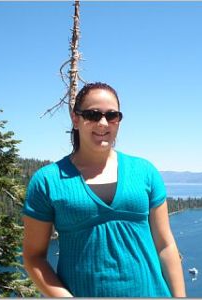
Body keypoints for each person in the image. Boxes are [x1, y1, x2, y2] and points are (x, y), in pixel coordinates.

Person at [22, 82, 186, 297]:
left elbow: (165, 246)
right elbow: (34, 257)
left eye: (112, 115)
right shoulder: (48, 180)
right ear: (75, 119)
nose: (103, 123)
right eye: (92, 114)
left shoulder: (144, 171)